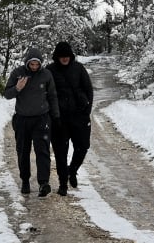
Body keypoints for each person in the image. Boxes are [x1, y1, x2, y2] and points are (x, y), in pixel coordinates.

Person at [4, 46, 60, 197]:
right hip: (22, 119)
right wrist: (17, 88)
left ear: (40, 63)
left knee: (42, 151)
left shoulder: (46, 75)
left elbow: (53, 96)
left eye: (37, 64)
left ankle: (44, 183)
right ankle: (25, 181)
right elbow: (7, 94)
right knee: (23, 151)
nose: (34, 67)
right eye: (32, 64)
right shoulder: (18, 73)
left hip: (42, 119)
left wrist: (55, 117)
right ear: (27, 62)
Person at [46, 41, 93, 195]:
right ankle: (63, 184)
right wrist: (51, 115)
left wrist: (87, 111)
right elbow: (45, 93)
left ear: (71, 56)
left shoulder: (79, 68)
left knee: (83, 146)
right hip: (59, 118)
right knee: (60, 151)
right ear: (57, 57)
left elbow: (88, 89)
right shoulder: (50, 71)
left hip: (79, 115)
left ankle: (72, 170)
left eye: (67, 56)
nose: (64, 58)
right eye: (61, 56)